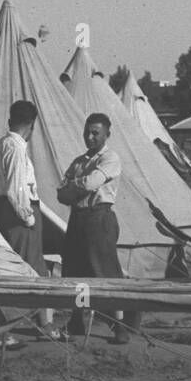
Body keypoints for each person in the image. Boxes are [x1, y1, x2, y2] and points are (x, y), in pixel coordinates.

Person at [57, 113, 139, 344]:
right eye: (87, 132)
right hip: (78, 219)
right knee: (76, 272)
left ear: (106, 135)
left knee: (106, 272)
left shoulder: (110, 158)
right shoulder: (79, 161)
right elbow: (61, 194)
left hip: (99, 219)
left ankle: (119, 324)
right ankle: (77, 320)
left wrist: (75, 185)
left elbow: (91, 183)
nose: (90, 137)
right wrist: (77, 186)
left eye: (95, 133)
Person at [0, 100, 56, 339]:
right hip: (20, 214)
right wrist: (28, 219)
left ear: (10, 121)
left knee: (23, 267)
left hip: (6, 211)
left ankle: (40, 323)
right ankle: (10, 330)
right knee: (29, 269)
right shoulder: (15, 148)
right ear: (32, 125)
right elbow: (17, 189)